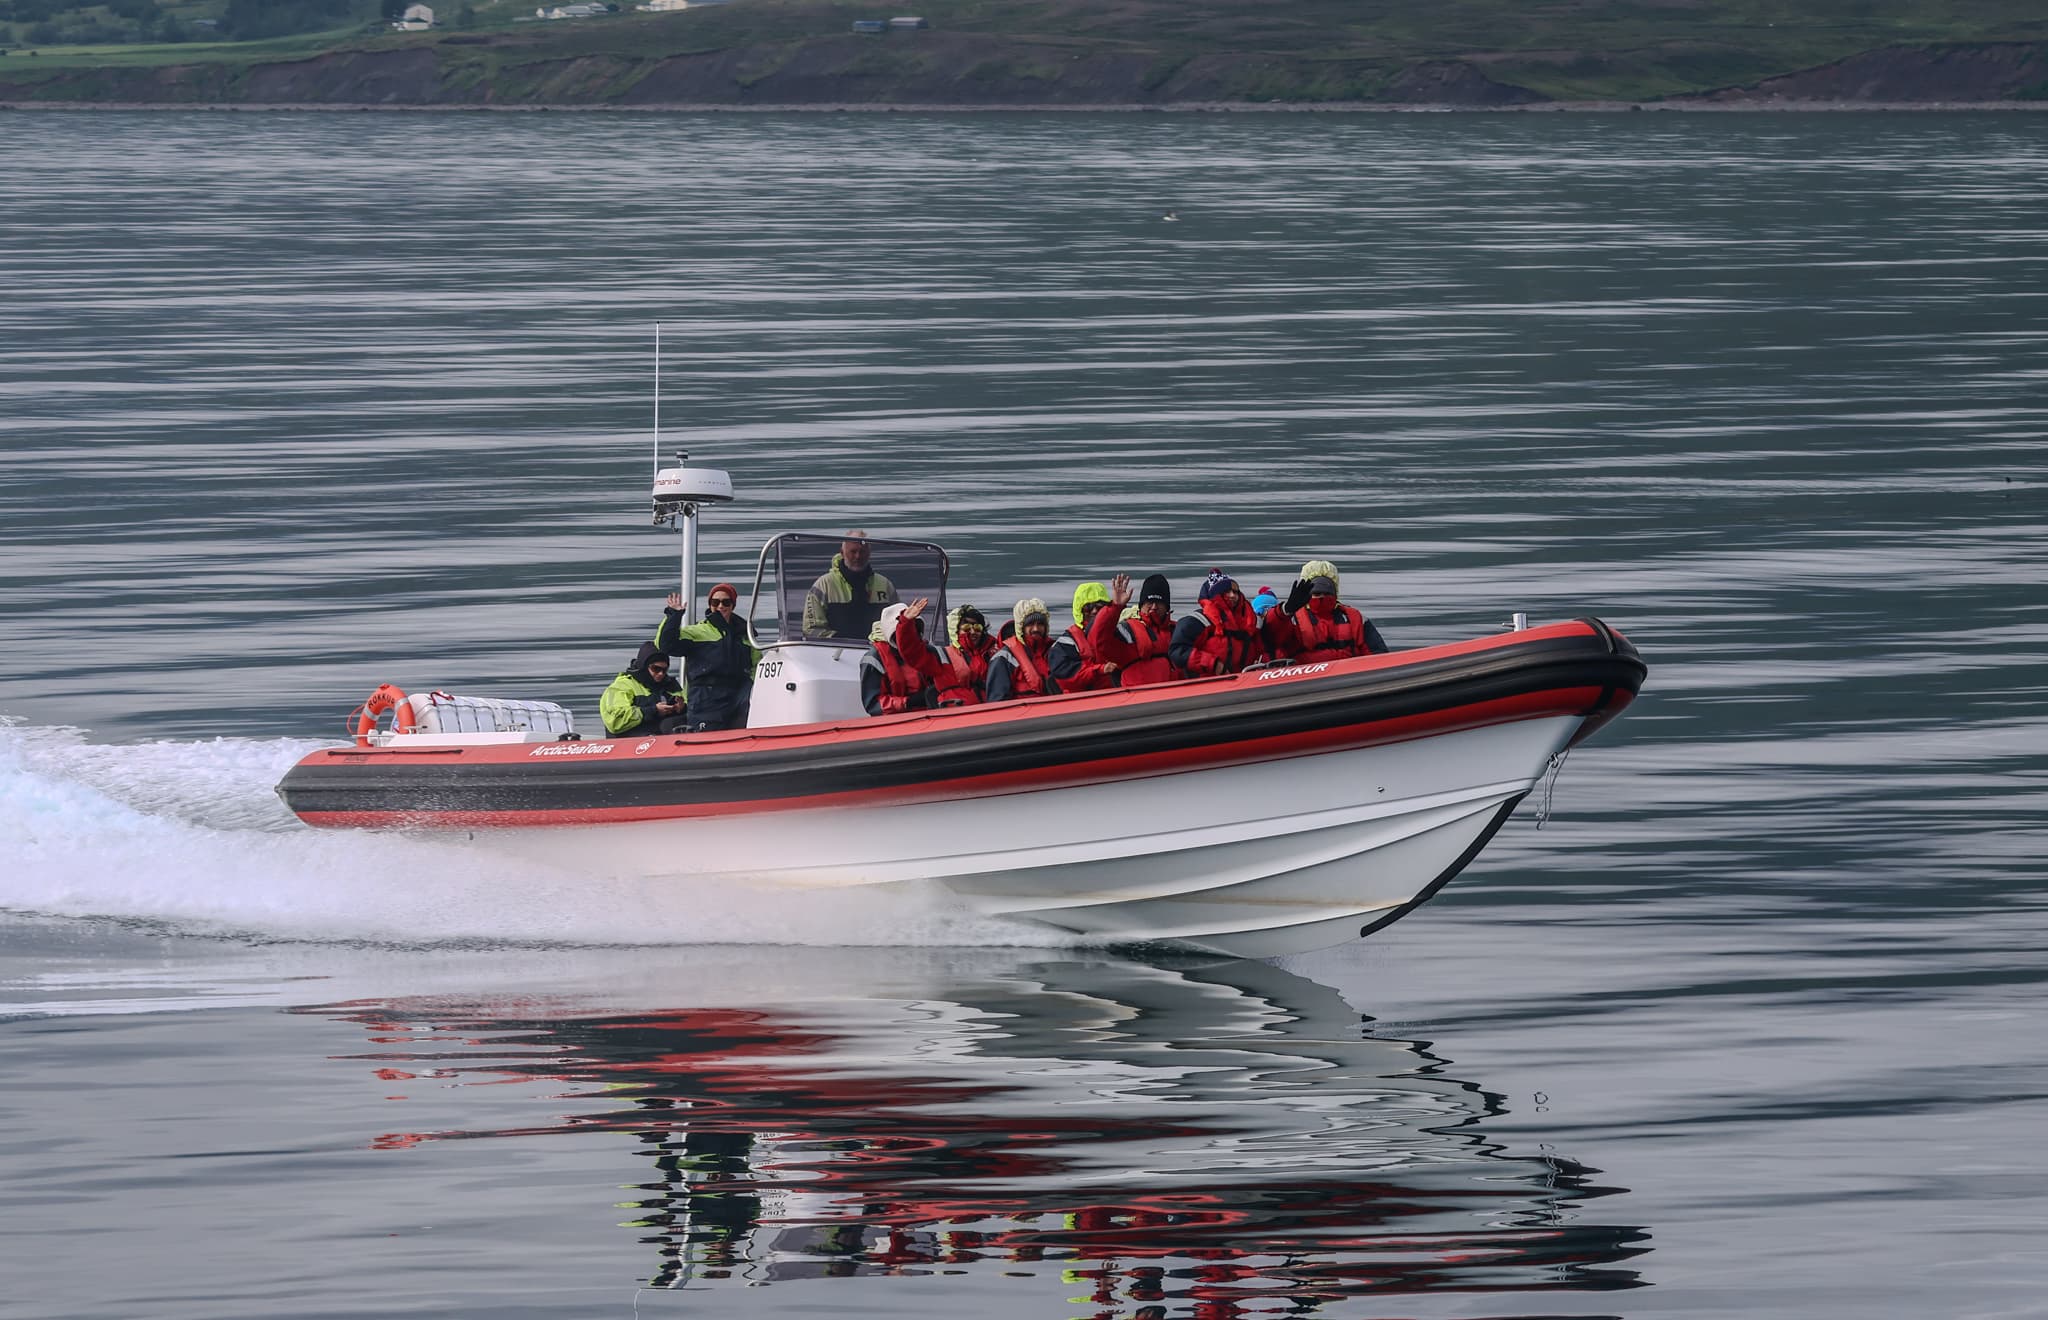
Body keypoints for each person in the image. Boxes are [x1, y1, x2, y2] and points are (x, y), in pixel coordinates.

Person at [653, 583, 762, 732]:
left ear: (733, 605)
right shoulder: (698, 632)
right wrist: (674, 615)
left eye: (726, 602)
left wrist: (752, 683)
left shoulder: (745, 635)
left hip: (739, 695)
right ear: (710, 605)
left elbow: (757, 664)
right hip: (706, 699)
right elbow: (665, 644)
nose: (720, 606)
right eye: (715, 602)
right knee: (707, 737)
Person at [1268, 559, 1389, 662]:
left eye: (1326, 593)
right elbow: (1271, 636)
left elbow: (1378, 655)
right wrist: (1286, 610)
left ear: (1335, 592)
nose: (1321, 597)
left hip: (1349, 677)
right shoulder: (1292, 619)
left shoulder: (1355, 618)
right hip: (1305, 678)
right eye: (1316, 593)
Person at [1168, 570, 1269, 677]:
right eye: (1226, 592)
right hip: (1208, 684)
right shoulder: (1198, 621)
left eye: (1235, 592)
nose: (1232, 596)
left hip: (1245, 680)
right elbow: (1177, 651)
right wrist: (1213, 664)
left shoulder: (1251, 622)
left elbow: (1263, 649)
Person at [896, 602, 999, 707]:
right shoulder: (942, 656)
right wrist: (906, 622)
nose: (973, 632)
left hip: (990, 712)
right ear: (955, 630)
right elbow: (911, 651)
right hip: (956, 715)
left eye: (977, 628)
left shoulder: (993, 653)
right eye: (966, 628)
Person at [803, 529, 899, 640]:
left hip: (877, 650)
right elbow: (811, 629)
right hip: (833, 651)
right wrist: (837, 640)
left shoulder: (885, 585)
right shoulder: (823, 585)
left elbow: (897, 623)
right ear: (842, 553)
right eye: (853, 552)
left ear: (869, 554)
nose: (858, 556)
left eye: (862, 552)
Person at [1100, 572, 1183, 688]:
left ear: (1167, 607)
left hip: (1175, 697)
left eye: (1159, 603)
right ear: (1141, 606)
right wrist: (1115, 607)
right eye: (1149, 603)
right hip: (1137, 699)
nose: (1154, 607)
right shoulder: (1127, 631)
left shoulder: (1178, 631)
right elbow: (1099, 641)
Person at [1047, 580, 1126, 694]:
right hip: (1084, 700)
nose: (1094, 611)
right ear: (1079, 611)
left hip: (1118, 694)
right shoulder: (1065, 643)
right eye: (1088, 608)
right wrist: (1101, 669)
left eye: (1099, 607)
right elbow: (1065, 676)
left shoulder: (1119, 633)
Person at [861, 598, 936, 715]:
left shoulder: (928, 651)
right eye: (906, 630)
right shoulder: (874, 659)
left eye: (914, 630)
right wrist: (909, 702)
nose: (911, 635)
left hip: (929, 716)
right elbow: (873, 705)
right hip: (894, 720)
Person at [600, 642, 686, 736]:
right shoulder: (621, 687)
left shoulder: (672, 686)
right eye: (656, 669)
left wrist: (681, 708)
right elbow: (616, 721)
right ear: (644, 667)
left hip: (664, 739)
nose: (661, 673)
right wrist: (653, 710)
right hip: (631, 741)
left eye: (664, 670)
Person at [984, 597, 1059, 702]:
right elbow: (997, 702)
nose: (1036, 629)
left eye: (1040, 624)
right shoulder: (1004, 659)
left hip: (1057, 711)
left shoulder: (1056, 651)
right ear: (1021, 627)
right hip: (1025, 714)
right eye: (1030, 624)